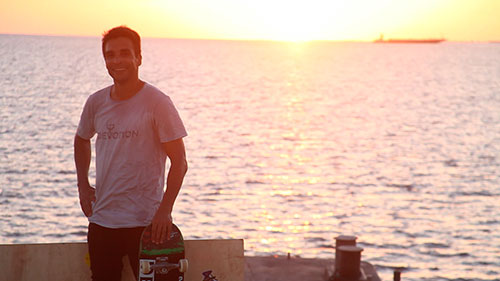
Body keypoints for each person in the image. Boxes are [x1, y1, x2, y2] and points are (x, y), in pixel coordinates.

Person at [74, 26, 188, 281]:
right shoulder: (96, 102)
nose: (117, 61)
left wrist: (165, 210)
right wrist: (83, 185)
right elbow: (81, 139)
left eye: (125, 53)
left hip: (147, 226)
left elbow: (179, 162)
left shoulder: (158, 103)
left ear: (139, 58)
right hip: (102, 221)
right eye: (110, 55)